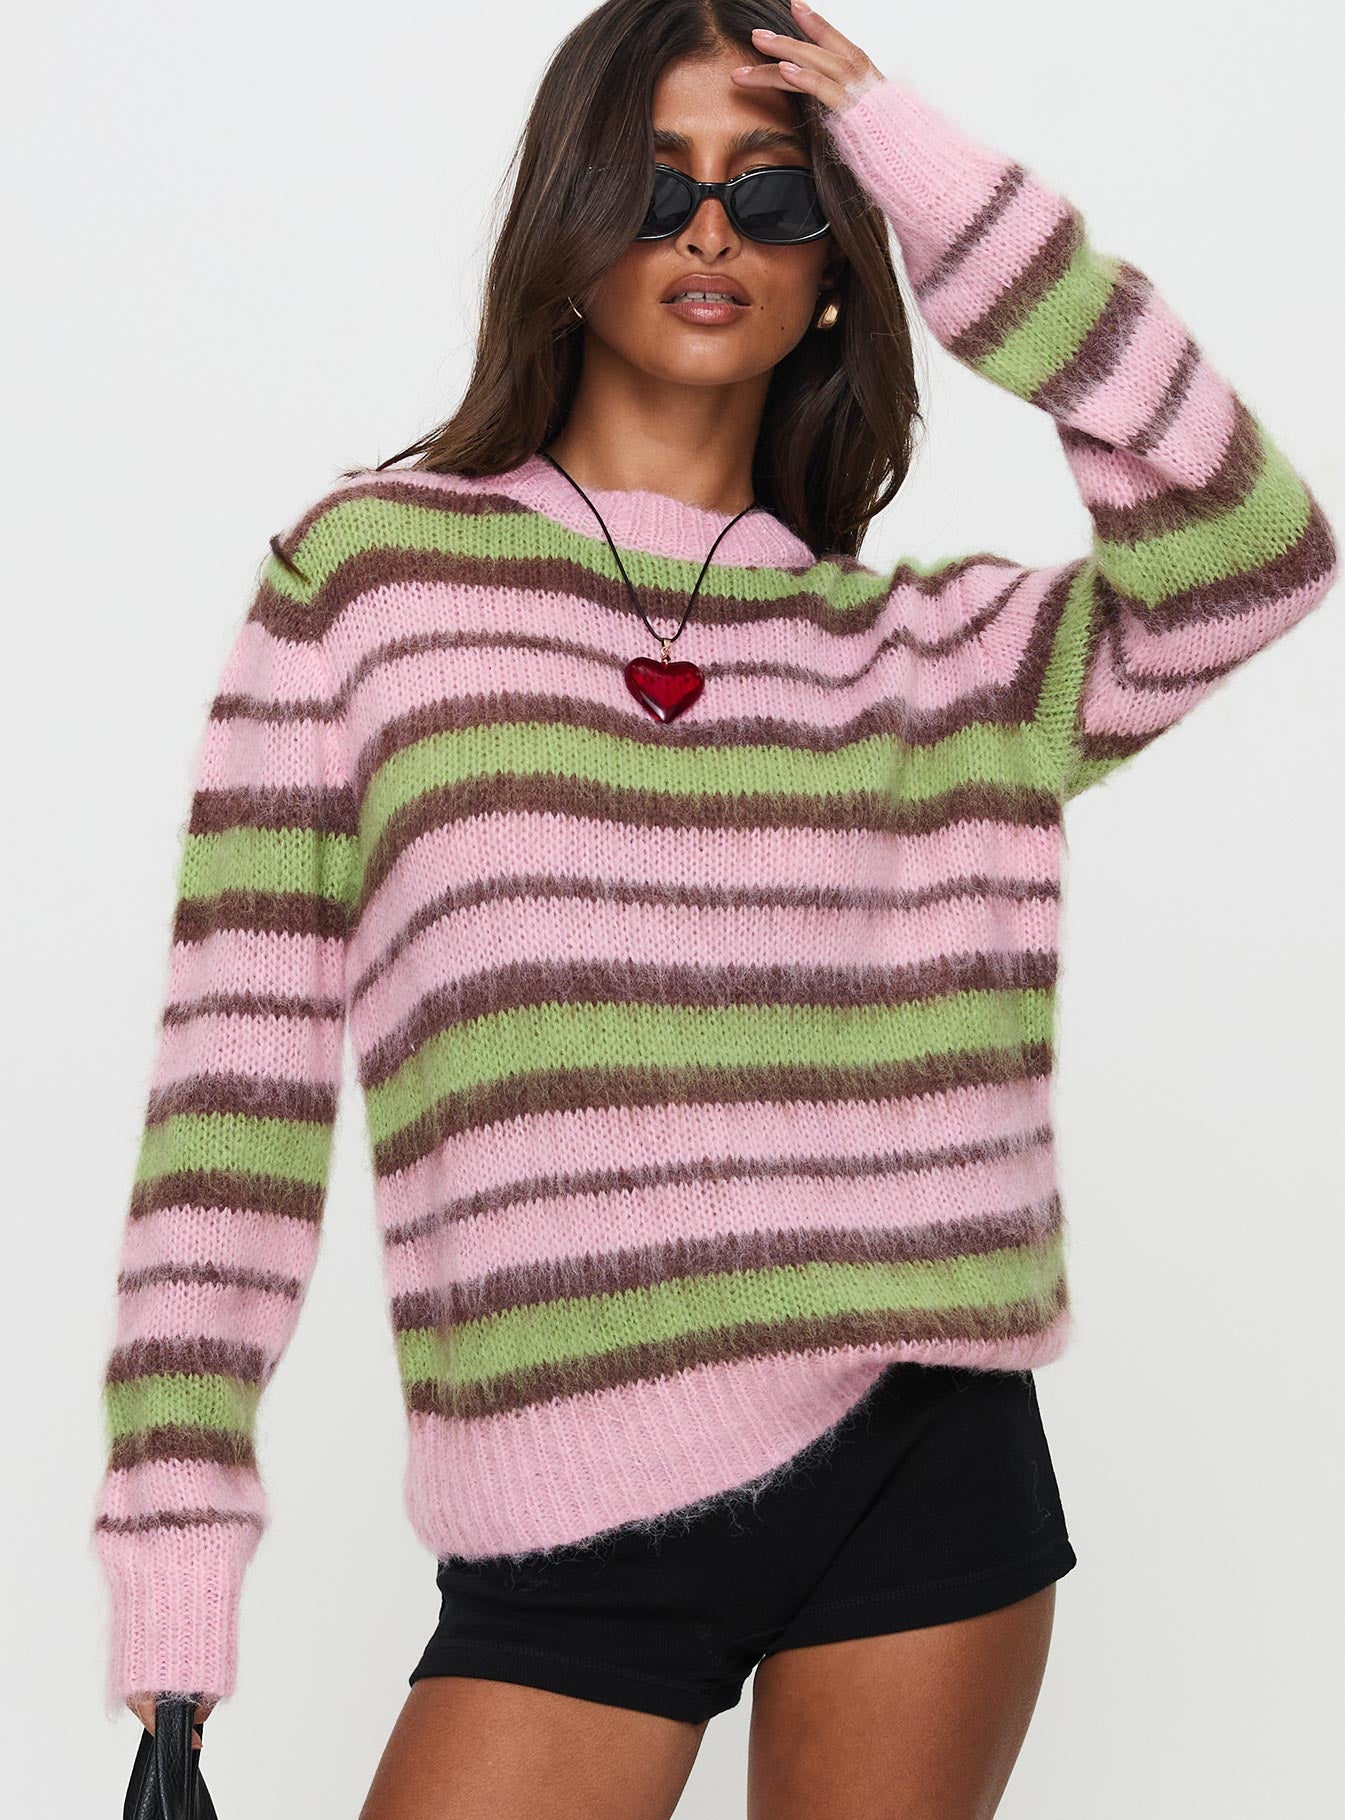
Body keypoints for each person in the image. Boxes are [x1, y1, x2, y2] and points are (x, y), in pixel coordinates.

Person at [90, 3, 1337, 1816]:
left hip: (918, 1462)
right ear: (565, 225)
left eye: (773, 194)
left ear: (838, 271)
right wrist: (175, 1557)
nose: (708, 231)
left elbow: (1250, 546)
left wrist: (926, 173)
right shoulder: (369, 586)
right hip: (554, 1508)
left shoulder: (927, 661)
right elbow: (234, 1094)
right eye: (653, 183)